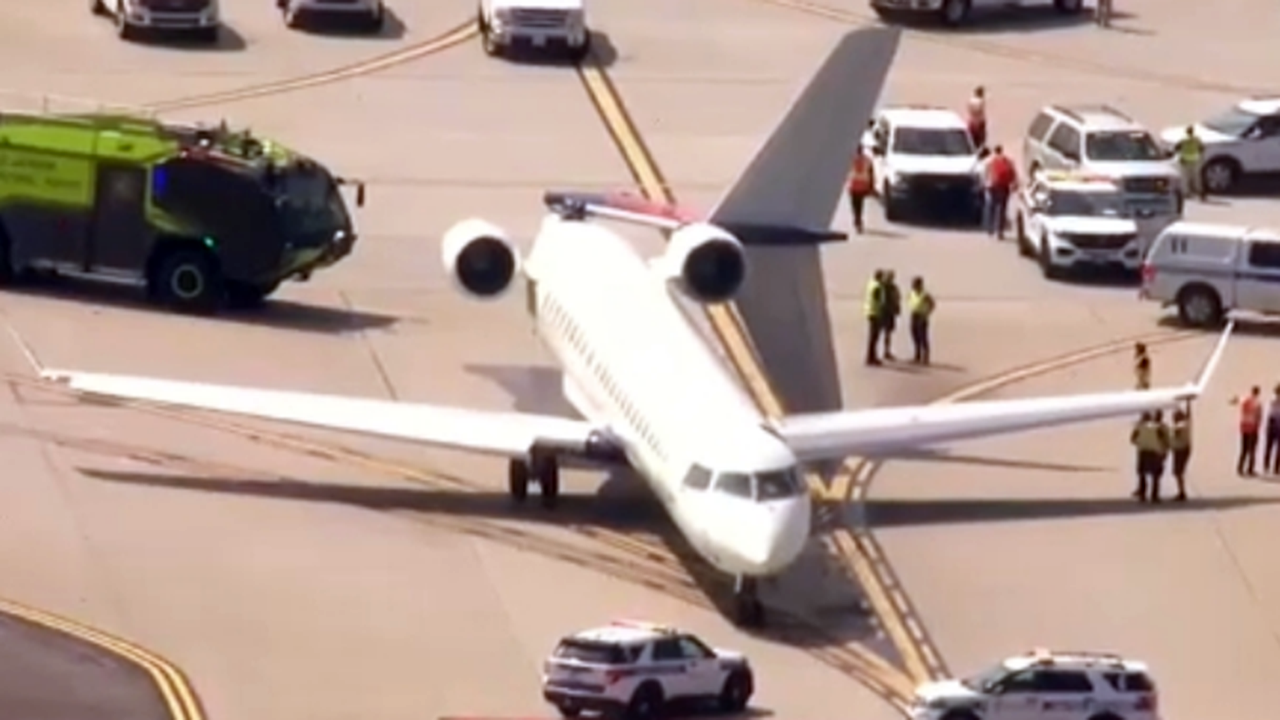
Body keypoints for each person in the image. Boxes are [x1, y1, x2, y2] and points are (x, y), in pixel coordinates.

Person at [1130, 411, 1168, 502]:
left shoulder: (1139, 427)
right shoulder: (1157, 427)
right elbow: (1163, 439)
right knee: (1156, 476)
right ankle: (1154, 495)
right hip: (1154, 452)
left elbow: (1132, 439)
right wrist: (1163, 451)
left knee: (1142, 474)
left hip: (1143, 451)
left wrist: (1140, 443)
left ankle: (1142, 494)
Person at [983, 146, 1016, 239]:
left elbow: (984, 174)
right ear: (1001, 150)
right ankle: (1000, 231)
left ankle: (990, 229)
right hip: (1004, 187)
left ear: (994, 151)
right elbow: (1013, 173)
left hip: (991, 186)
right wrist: (1013, 184)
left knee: (991, 207)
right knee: (1002, 209)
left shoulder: (988, 161)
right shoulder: (1008, 160)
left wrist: (984, 184)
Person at [1232, 386, 1263, 476]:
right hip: (1252, 428)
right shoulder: (1257, 404)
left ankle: (1240, 468)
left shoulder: (1245, 400)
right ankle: (1250, 469)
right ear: (1258, 393)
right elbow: (1259, 417)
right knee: (1252, 450)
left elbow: (1236, 400)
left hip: (1244, 427)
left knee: (1244, 449)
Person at [908, 276, 935, 365]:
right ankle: (917, 356)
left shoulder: (925, 294)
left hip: (922, 317)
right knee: (915, 336)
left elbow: (932, 304)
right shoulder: (912, 293)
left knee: (923, 337)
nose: (913, 286)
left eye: (915, 284)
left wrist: (927, 313)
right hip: (914, 315)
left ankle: (926, 357)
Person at [848, 149, 875, 235]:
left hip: (853, 184)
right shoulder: (867, 159)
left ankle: (857, 219)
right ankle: (858, 219)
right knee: (860, 204)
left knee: (854, 204)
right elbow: (871, 173)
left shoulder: (850, 158)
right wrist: (871, 186)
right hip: (863, 185)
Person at [1174, 126, 1205, 201]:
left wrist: (1180, 155)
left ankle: (1186, 192)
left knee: (1185, 177)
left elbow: (1176, 148)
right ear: (1193, 131)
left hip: (1185, 160)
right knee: (1196, 177)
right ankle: (1200, 192)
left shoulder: (1183, 139)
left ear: (1186, 131)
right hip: (1195, 160)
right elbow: (1202, 148)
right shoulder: (1197, 139)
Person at [1170, 402, 1192, 501]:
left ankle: (1182, 492)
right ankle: (1181, 491)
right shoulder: (1186, 423)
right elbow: (1189, 415)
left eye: (1174, 417)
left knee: (1178, 472)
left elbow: (1175, 434)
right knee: (1178, 472)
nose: (1172, 419)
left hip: (1181, 450)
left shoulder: (1180, 426)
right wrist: (1188, 403)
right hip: (1184, 448)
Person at [864, 270, 886, 366]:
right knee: (874, 337)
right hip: (875, 313)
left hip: (869, 311)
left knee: (872, 337)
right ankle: (871, 357)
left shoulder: (871, 283)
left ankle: (871, 356)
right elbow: (878, 300)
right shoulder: (877, 286)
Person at [880, 271, 902, 361]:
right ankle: (882, 352)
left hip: (890, 313)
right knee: (880, 334)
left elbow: (897, 298)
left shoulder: (893, 287)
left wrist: (897, 308)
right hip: (883, 313)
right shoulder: (882, 287)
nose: (891, 278)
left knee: (888, 333)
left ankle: (886, 351)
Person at [1265, 384, 1280, 474]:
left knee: (1269, 447)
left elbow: (1269, 415)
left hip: (1272, 425)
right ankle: (1276, 468)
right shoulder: (1273, 402)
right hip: (1277, 426)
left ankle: (1267, 466)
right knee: (1277, 448)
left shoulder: (1272, 402)